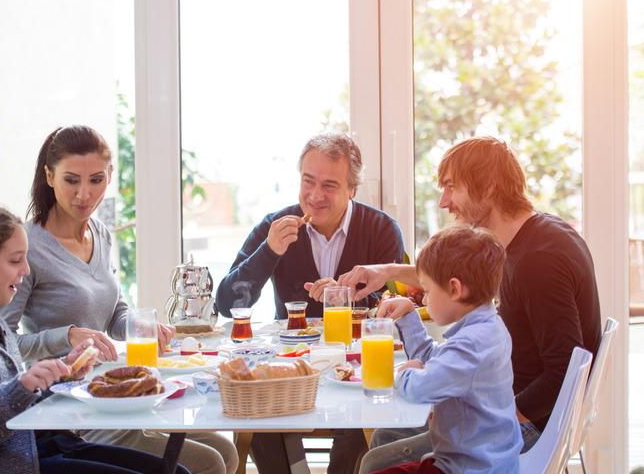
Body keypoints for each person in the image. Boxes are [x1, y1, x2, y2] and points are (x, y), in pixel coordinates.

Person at [342, 136, 601, 472]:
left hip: (528, 422)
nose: (444, 202)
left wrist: (495, 417)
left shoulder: (540, 262)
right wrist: (390, 271)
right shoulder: (533, 237)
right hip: (516, 403)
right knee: (388, 434)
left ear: (489, 187)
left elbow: (561, 372)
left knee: (380, 456)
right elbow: (462, 282)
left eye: (451, 187)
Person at [0, 125, 238, 474]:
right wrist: (64, 336)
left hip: (114, 393)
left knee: (225, 452)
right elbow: (1, 342)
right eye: (71, 180)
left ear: (110, 176)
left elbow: (115, 314)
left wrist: (144, 327)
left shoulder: (101, 233)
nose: (84, 194)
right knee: (210, 464)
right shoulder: (30, 247)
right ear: (49, 176)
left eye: (96, 180)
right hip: (72, 413)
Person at [0, 202, 189, 474]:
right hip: (18, 465)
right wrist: (21, 387)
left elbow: (14, 403)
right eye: (15, 261)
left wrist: (61, 373)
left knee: (176, 471)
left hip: (42, 448)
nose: (26, 271)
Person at [215, 133, 405, 474]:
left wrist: (343, 297)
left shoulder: (381, 229)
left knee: (362, 418)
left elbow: (388, 308)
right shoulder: (275, 226)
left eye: (330, 185)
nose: (315, 196)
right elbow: (228, 304)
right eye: (308, 181)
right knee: (258, 410)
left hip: (355, 366)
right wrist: (269, 252)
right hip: (290, 364)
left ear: (352, 190)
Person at [362, 225, 522, 474]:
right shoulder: (485, 327)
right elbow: (436, 359)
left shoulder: (472, 344)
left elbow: (419, 389)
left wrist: (405, 372)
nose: (424, 300)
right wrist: (408, 316)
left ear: (455, 289)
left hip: (470, 468)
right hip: (478, 461)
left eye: (427, 291)